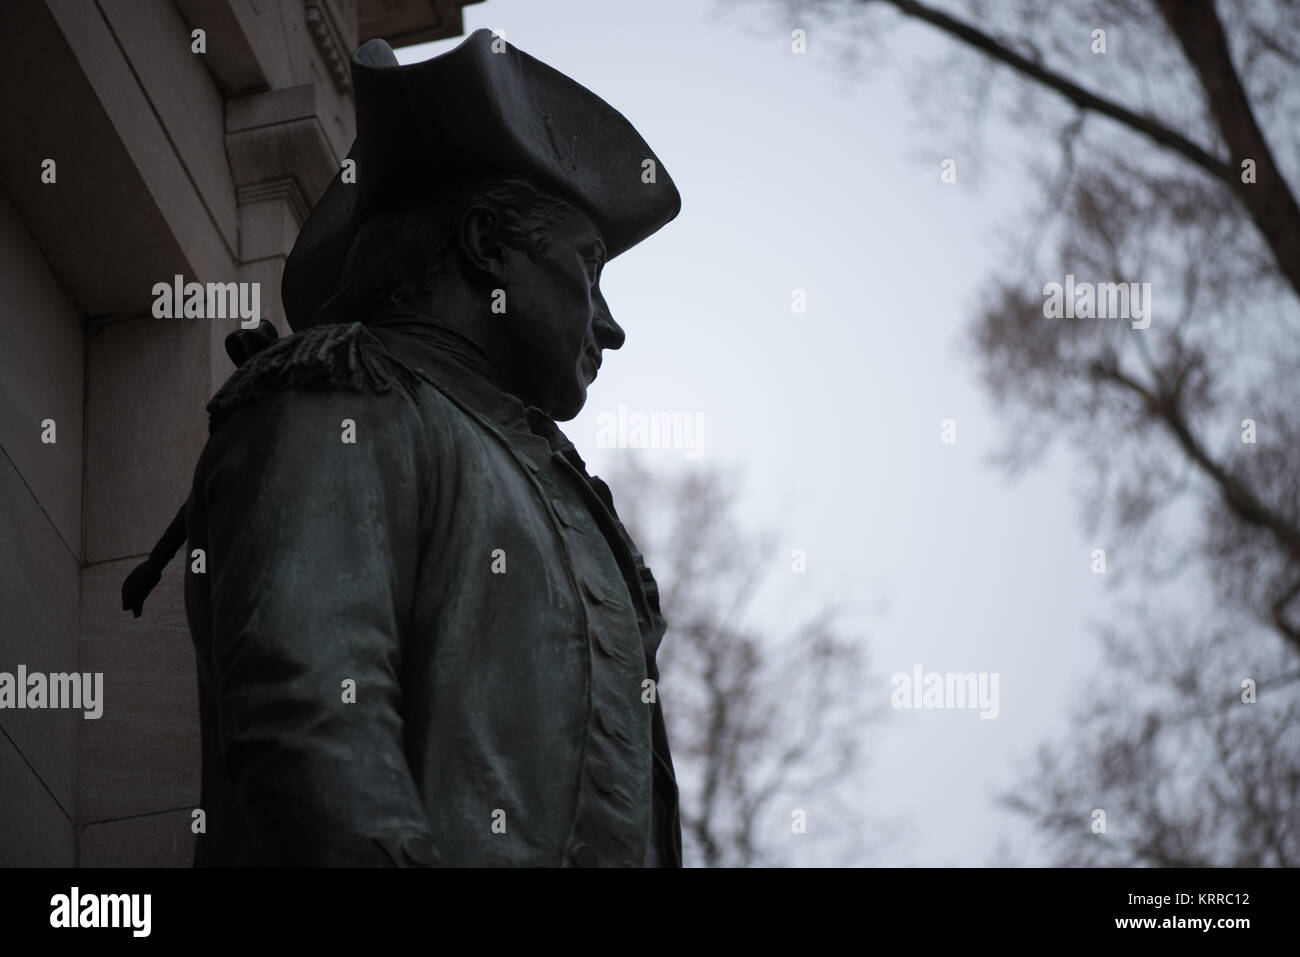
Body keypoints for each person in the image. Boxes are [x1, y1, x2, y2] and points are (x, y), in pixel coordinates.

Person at [179, 29, 684, 866]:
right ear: (487, 244)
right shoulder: (342, 398)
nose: (610, 324)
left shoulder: (568, 497)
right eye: (588, 268)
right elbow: (310, 713)